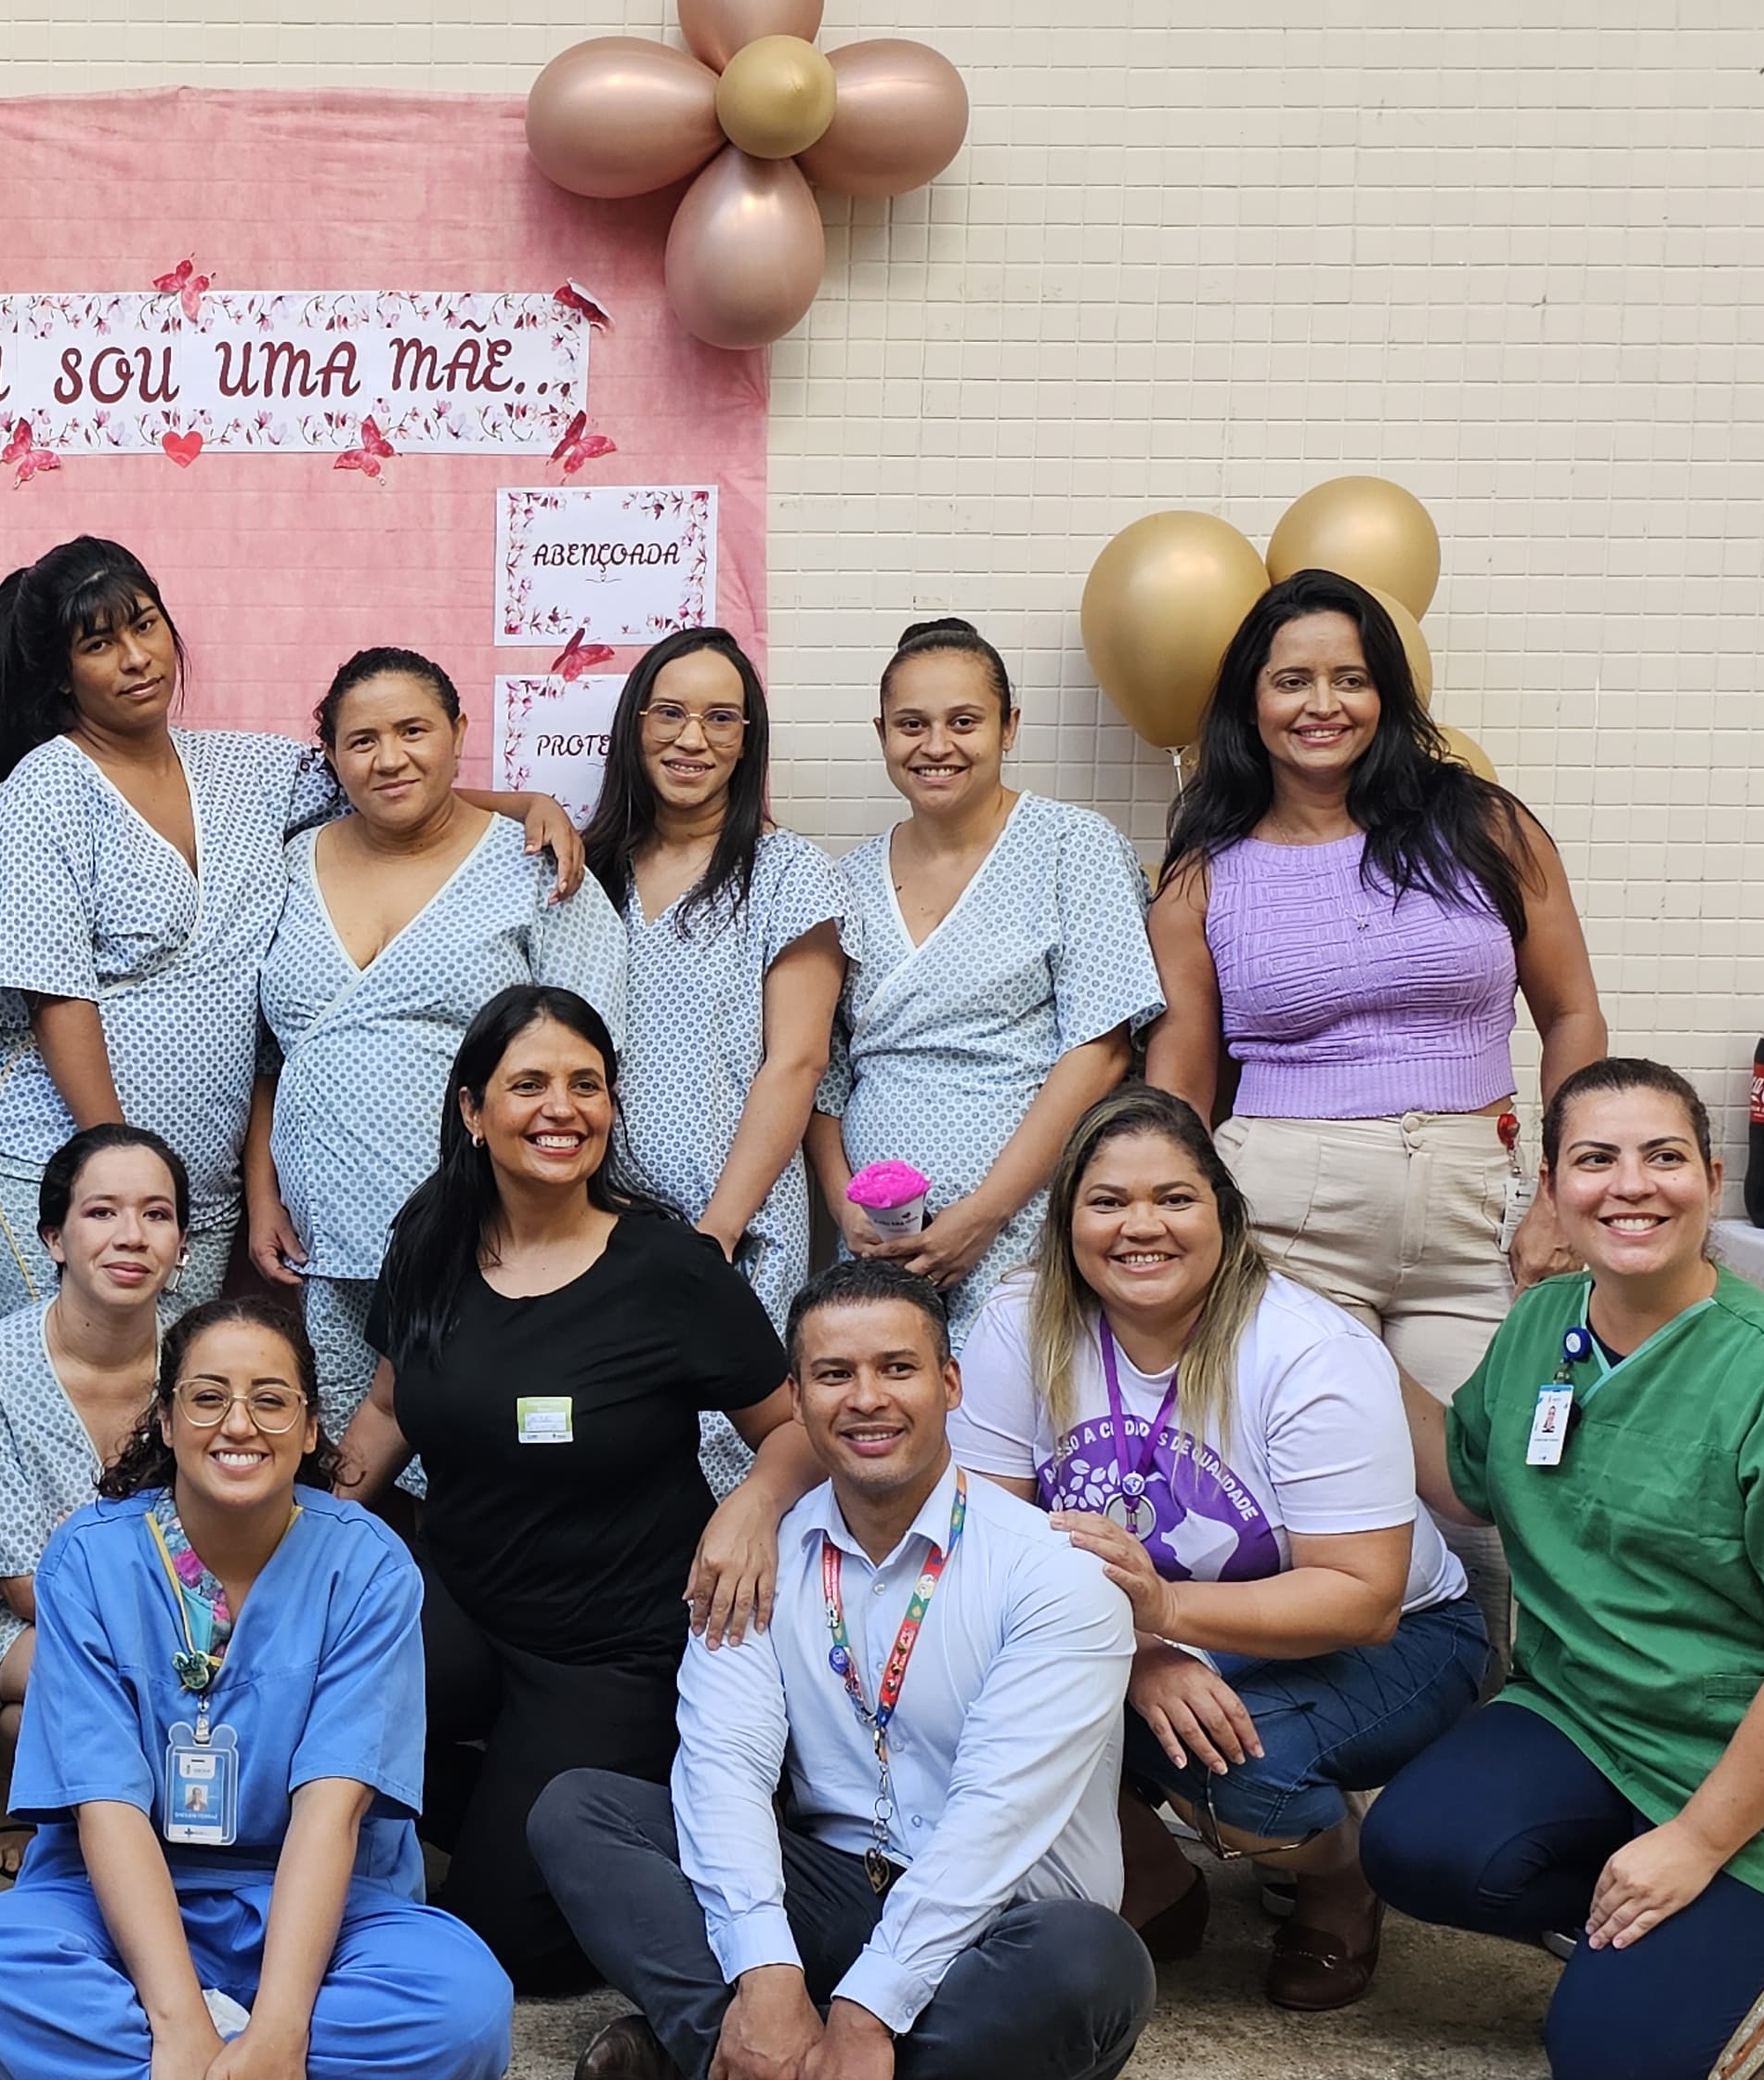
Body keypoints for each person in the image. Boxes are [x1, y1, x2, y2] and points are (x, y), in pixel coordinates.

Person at [530, 1262, 1154, 2080]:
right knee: (579, 1812)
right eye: (831, 1375)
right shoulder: (756, 1555)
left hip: (998, 1929)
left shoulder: (1052, 1575)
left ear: (950, 1384)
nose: (865, 1399)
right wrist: (772, 1976)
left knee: (1093, 1973)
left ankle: (724, 2072)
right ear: (800, 1397)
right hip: (827, 1892)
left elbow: (995, 1824)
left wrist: (863, 2016)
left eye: (896, 1368)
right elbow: (724, 1768)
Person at [0, 1299, 515, 2080]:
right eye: (208, 1397)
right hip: (118, 1903)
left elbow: (332, 1813)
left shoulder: (368, 1567)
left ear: (313, 1426)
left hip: (314, 1901)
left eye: (272, 1400)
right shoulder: (90, 1557)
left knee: (466, 2011)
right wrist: (183, 2024)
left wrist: (272, 2038)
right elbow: (106, 1808)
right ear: (161, 1417)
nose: (240, 1423)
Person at [1367, 1060, 1764, 2080]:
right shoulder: (1545, 1325)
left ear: (1713, 1178)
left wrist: (1693, 1841)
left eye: (1663, 1156)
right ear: (1552, 1187)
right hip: (1583, 1720)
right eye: (1594, 1159)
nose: (1629, 1186)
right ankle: (1640, 1913)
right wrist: (1349, 1348)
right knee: (1414, 1847)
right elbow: (1467, 1481)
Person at [953, 1089, 1485, 2010]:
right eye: (1107, 1201)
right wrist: (1139, 1653)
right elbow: (982, 1532)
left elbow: (1363, 1599)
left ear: (1225, 1214)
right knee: (955, 1669)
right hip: (1144, 1629)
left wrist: (1160, 1619)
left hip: (1395, 1638)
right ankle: (1156, 1878)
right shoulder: (1021, 1319)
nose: (1139, 1227)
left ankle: (1334, 1876)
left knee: (1240, 1764)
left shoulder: (1306, 1348)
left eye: (1173, 1198)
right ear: (1068, 1218)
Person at [0, 539, 587, 1326]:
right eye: (100, 645)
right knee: (67, 1394)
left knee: (157, 1420)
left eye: (146, 626)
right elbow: (57, 995)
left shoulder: (248, 771)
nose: (136, 658)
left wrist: (523, 802)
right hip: (60, 1166)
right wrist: (118, 1168)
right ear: (62, 674)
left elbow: (387, 778)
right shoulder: (42, 793)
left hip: (202, 1178)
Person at [335, 987, 815, 1990]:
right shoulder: (429, 1241)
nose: (562, 1108)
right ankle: (496, 1778)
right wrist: (310, 1536)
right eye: (530, 1085)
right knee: (307, 1686)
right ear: (473, 1111)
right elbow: (386, 1407)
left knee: (516, 1948)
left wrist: (751, 1504)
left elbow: (793, 1431)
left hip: (611, 1649)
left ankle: (632, 1804)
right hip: (461, 1604)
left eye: (585, 1085)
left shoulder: (670, 1268)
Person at [1148, 568, 1607, 1405]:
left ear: (1386, 696)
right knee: (1319, 1497)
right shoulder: (1204, 874)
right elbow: (1178, 1082)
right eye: (1292, 681)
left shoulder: (1486, 827)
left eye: (1350, 680)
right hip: (1283, 1217)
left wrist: (1563, 1190)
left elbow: (1572, 1014)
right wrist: (1185, 1223)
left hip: (1479, 1217)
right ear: (1251, 704)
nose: (1323, 704)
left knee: (1494, 1491)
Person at [250, 648, 624, 1435]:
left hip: (486, 1231)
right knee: (352, 1454)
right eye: (361, 741)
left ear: (459, 732)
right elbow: (268, 1058)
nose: (390, 758)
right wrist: (262, 1193)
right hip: (333, 1232)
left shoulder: (535, 865)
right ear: (330, 756)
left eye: (414, 730)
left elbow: (587, 1062)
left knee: (483, 1441)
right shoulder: (287, 864)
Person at [810, 618, 1161, 1325]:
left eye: (963, 721)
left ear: (1009, 728)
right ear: (882, 733)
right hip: (879, 1245)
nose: (936, 746)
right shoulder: (843, 882)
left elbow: (1101, 1049)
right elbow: (824, 1068)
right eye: (912, 724)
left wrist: (983, 1214)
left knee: (1021, 1417)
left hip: (1024, 1225)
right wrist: (844, 1201)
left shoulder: (1074, 848)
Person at [581, 627, 844, 1489]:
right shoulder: (586, 872)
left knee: (735, 1469)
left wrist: (717, 1234)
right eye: (671, 713)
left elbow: (796, 1064)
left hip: (733, 1232)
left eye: (721, 719)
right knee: (611, 1456)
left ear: (748, 740)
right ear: (634, 726)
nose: (692, 740)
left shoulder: (786, 872)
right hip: (594, 1229)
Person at [0, 1126, 191, 1879]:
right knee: (72, 1675)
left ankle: (30, 1753)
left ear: (184, 1247)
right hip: (2, 1622)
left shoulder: (205, 1362)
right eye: (102, 1213)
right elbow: (19, 1588)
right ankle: (21, 1798)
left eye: (157, 1215)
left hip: (187, 1617)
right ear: (54, 1238)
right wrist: (178, 1637)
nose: (131, 1237)